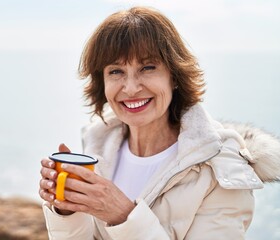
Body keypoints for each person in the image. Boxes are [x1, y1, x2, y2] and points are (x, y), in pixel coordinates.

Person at [39, 6, 280, 240]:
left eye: (148, 67)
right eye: (116, 71)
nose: (131, 88)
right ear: (102, 82)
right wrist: (67, 210)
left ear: (174, 76)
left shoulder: (221, 169)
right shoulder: (99, 147)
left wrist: (123, 216)